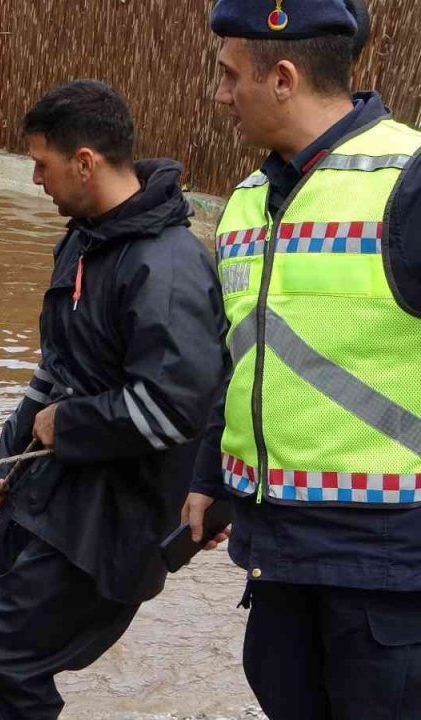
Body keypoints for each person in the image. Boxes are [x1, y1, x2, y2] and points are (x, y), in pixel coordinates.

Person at [0, 80, 229, 720]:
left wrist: (65, 425)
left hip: (119, 513)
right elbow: (57, 369)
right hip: (57, 483)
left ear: (84, 163)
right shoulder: (82, 241)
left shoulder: (166, 267)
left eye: (41, 164)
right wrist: (6, 456)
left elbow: (175, 410)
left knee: (9, 654)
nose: (33, 180)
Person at [181, 2, 421, 718]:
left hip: (389, 576)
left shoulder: (407, 183)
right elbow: (247, 357)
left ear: (282, 77)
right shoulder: (249, 203)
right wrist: (209, 476)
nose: (219, 97)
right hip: (279, 558)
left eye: (229, 77)